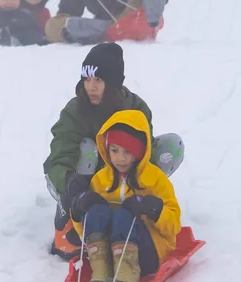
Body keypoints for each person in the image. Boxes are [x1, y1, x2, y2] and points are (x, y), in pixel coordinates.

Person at [44, 42, 185, 261]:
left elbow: (145, 150)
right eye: (86, 79)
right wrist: (69, 182)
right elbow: (60, 153)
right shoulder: (75, 110)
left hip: (120, 178)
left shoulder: (136, 108)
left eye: (98, 80)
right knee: (87, 148)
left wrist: (148, 198)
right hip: (77, 184)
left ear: (113, 83)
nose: (90, 87)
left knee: (171, 147)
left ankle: (134, 213)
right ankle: (67, 227)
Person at [70, 109, 182, 282]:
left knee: (123, 216)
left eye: (127, 152)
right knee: (97, 211)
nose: (120, 158)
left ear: (140, 153)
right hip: (107, 255)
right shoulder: (100, 179)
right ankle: (101, 270)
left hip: (147, 254)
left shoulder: (155, 179)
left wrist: (154, 209)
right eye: (114, 150)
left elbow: (174, 226)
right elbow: (87, 231)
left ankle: (127, 273)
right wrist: (77, 211)